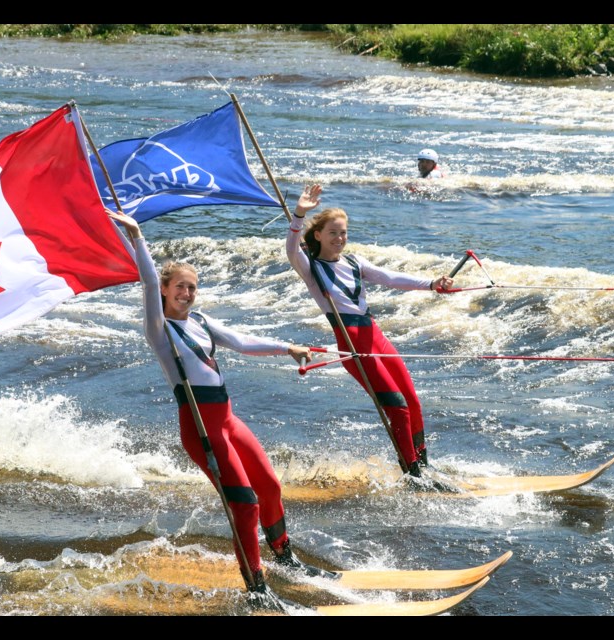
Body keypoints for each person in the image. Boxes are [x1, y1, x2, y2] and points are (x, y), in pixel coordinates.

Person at [109, 210, 318, 600]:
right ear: (165, 291)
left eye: (192, 288)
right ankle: (257, 589)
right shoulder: (159, 329)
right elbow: (148, 278)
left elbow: (241, 341)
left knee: (270, 486)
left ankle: (283, 556)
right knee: (244, 503)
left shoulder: (201, 322)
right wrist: (136, 236)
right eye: (180, 288)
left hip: (226, 418)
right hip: (200, 426)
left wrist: (287, 348)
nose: (187, 294)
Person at [286, 184, 454, 479]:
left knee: (412, 402)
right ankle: (412, 474)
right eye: (333, 233)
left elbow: (390, 277)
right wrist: (300, 212)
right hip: (352, 342)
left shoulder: (354, 262)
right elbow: (290, 247)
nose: (340, 239)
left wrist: (430, 284)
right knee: (397, 408)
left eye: (343, 233)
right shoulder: (311, 268)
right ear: (318, 236)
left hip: (374, 333)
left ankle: (424, 465)